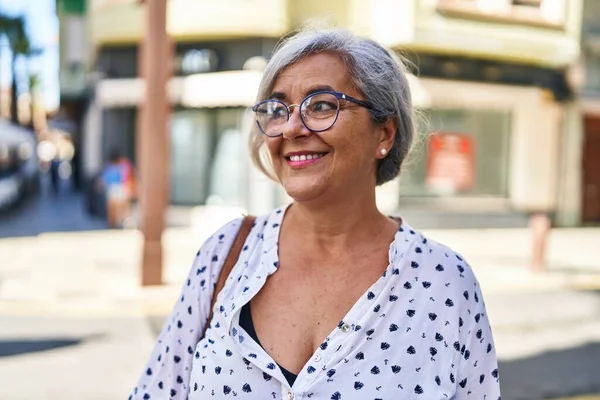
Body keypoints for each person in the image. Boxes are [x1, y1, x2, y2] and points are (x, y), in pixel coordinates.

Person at [130, 28, 501, 399]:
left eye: (322, 105)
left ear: (384, 134)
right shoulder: (226, 253)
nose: (291, 127)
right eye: (278, 109)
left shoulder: (444, 283)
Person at [99, 149, 127, 228]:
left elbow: (103, 180)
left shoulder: (109, 168)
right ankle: (120, 222)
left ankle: (112, 223)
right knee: (120, 208)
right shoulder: (122, 167)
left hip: (112, 189)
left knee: (111, 209)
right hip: (121, 188)